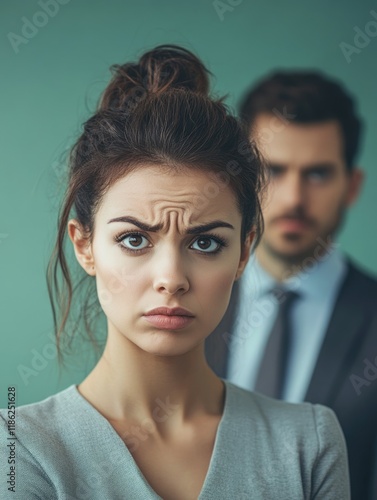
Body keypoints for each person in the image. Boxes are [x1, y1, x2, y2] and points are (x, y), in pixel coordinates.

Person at [0, 47, 350, 500]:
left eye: (206, 243)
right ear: (84, 245)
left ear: (243, 252)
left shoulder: (310, 443)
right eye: (134, 239)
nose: (171, 278)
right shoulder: (18, 447)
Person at [206, 70, 377, 500]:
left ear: (351, 186)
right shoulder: (187, 300)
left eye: (317, 174)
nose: (293, 198)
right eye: (273, 171)